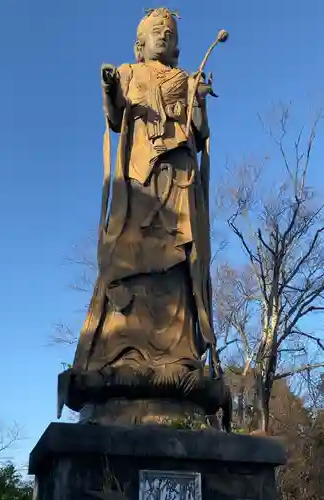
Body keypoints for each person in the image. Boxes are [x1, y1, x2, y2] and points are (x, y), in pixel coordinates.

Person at [73, 8, 220, 390]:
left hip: (180, 178)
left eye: (170, 33)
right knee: (132, 255)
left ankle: (182, 354)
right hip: (141, 178)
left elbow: (201, 135)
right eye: (156, 31)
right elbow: (114, 117)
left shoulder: (186, 80)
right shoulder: (130, 72)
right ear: (141, 43)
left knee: (179, 262)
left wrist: (199, 100)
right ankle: (122, 350)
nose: (164, 37)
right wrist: (109, 87)